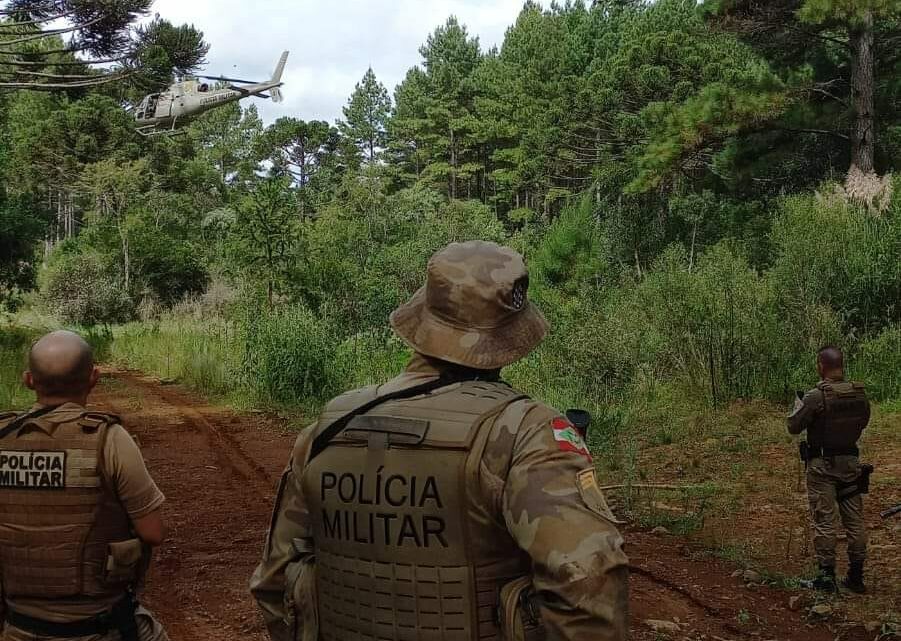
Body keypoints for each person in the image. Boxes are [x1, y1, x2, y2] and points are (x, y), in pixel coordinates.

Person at [251, 240, 629, 641]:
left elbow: (275, 584)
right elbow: (587, 587)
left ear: (423, 320)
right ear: (511, 336)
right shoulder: (526, 432)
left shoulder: (329, 426)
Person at [0, 331, 169, 641]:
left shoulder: (3, 437)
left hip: (18, 625)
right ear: (94, 378)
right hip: (99, 627)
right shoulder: (110, 439)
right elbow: (153, 532)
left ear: (28, 380)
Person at [788, 346, 871, 594]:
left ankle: (826, 578)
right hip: (850, 463)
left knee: (824, 520)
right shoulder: (859, 395)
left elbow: (793, 426)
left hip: (822, 466)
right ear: (841, 365)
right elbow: (863, 422)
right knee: (854, 520)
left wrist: (798, 403)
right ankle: (856, 576)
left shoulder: (816, 396)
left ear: (821, 366)